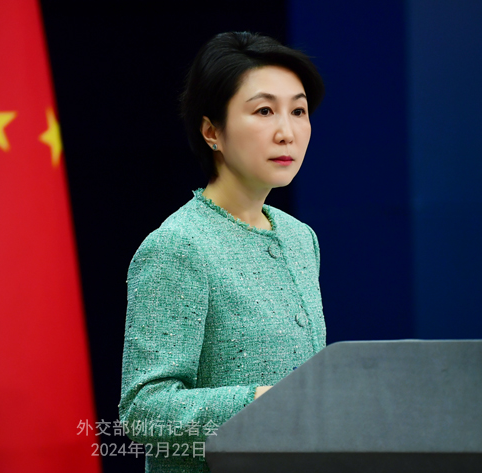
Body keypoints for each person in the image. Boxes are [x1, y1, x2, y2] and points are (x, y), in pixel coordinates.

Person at [119, 31, 326, 473]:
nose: (287, 132)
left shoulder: (300, 237)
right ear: (212, 131)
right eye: (264, 111)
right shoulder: (178, 246)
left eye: (299, 111)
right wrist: (261, 402)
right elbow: (144, 410)